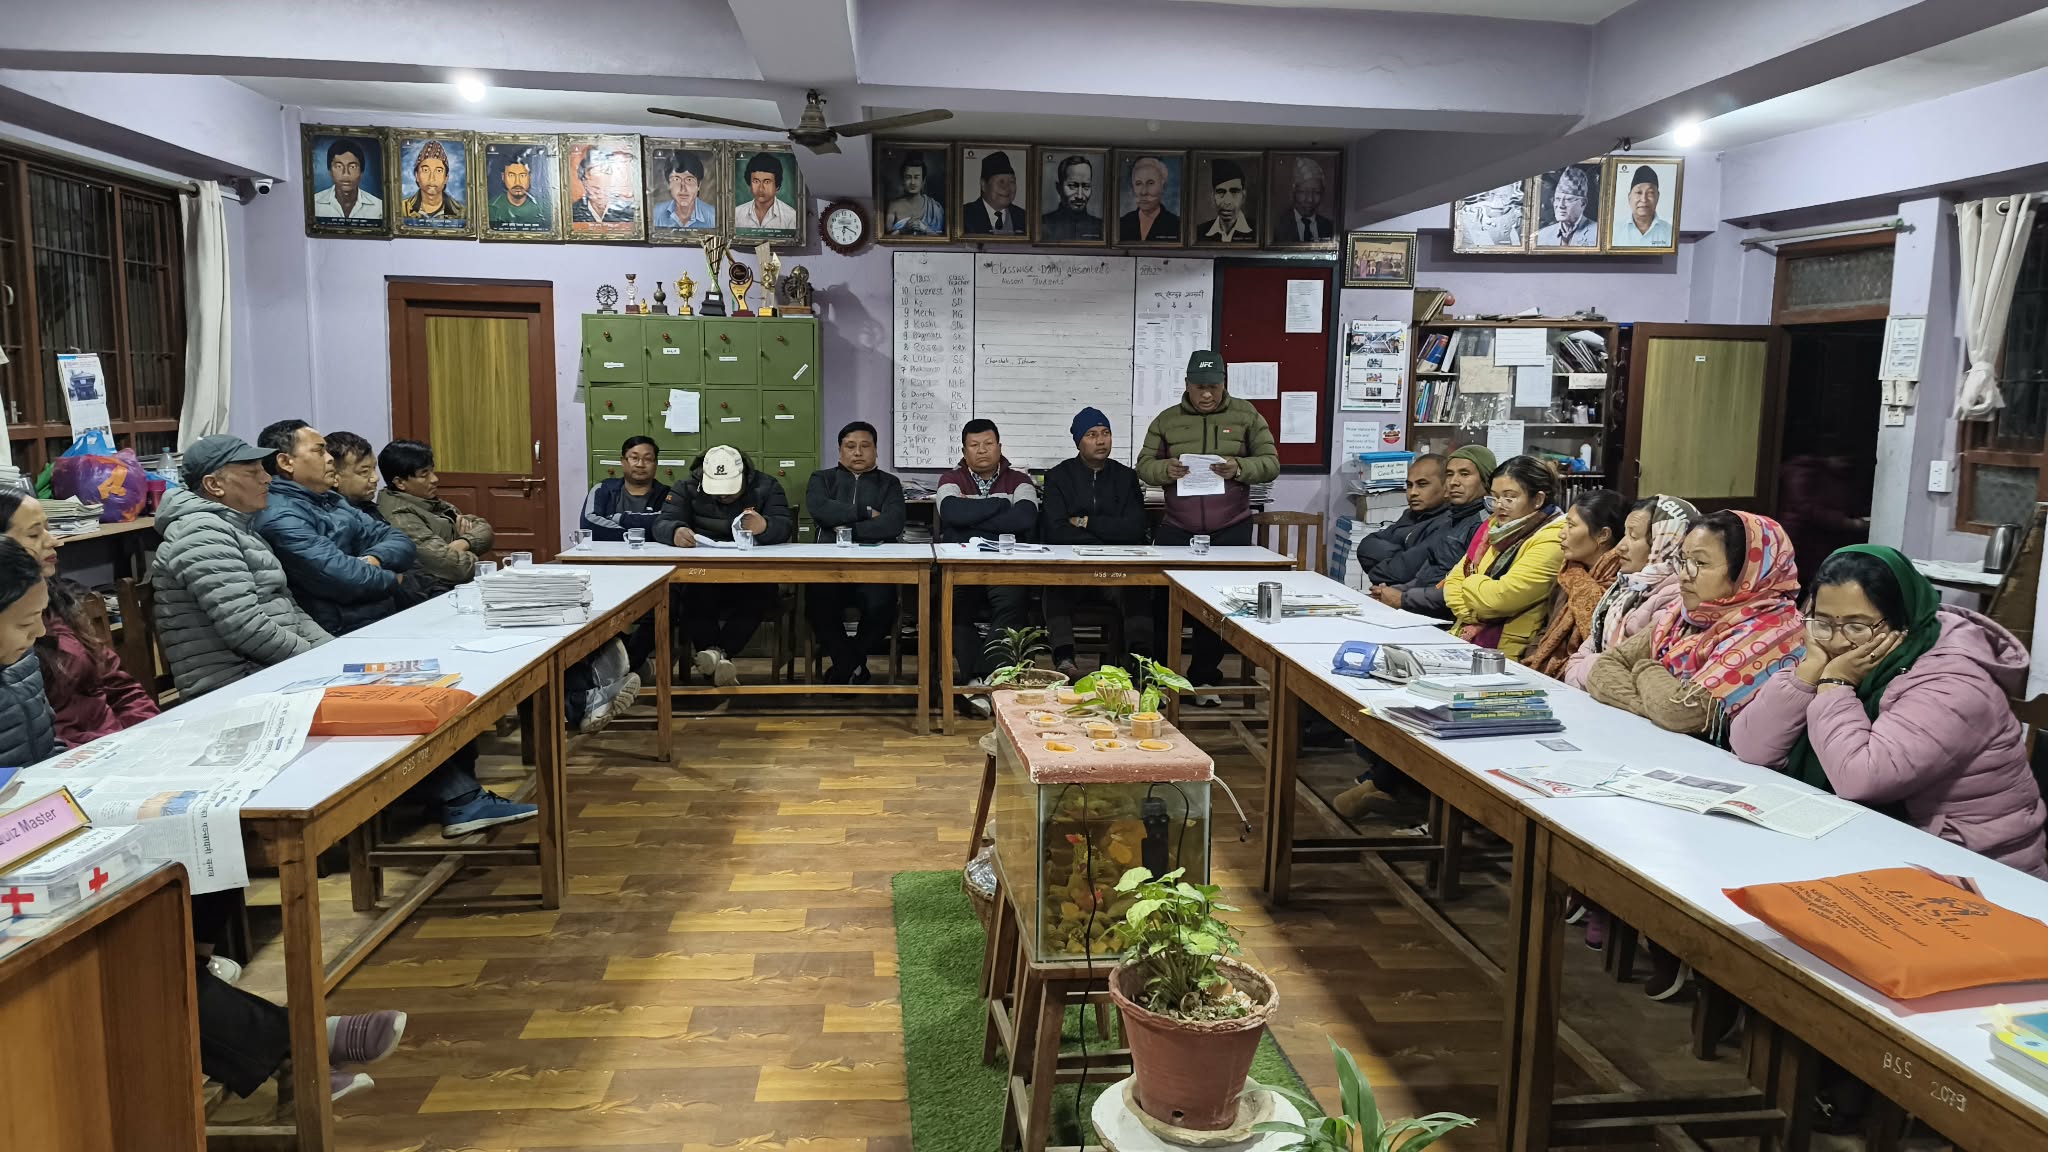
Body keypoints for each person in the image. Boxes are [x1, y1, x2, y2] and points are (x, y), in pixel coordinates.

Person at [1732, 545, 2048, 878]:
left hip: (1978, 867)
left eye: (1857, 626)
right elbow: (1751, 747)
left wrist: (1835, 684)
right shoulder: (1841, 657)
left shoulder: (1955, 681)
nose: (1838, 642)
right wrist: (1809, 671)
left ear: (1903, 622)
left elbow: (1861, 779)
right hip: (1882, 841)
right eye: (1823, 622)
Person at [1588, 511, 1805, 745]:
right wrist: (1650, 705)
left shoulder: (1776, 631)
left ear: (1749, 571)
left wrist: (1643, 667)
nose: (1683, 575)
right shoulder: (1686, 613)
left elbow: (1679, 711)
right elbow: (1602, 669)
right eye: (1683, 561)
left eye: (1700, 563)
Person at [1135, 349, 1279, 702]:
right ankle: (1161, 679)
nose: (1207, 395)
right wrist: (1164, 470)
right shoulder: (1167, 420)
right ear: (1186, 384)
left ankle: (1204, 679)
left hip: (1230, 527)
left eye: (1213, 387)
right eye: (1200, 387)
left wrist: (1239, 468)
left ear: (1223, 383)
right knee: (1163, 603)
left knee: (1218, 607)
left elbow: (1271, 463)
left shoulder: (1246, 415)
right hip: (1177, 527)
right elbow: (1144, 465)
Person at [152, 435, 333, 699]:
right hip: (236, 687)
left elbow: (290, 609)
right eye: (252, 472)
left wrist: (332, 653)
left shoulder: (240, 528)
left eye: (263, 470)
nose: (267, 479)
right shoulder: (202, 533)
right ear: (214, 485)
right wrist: (316, 662)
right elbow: (245, 627)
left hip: (275, 672)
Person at [0, 492, 157, 746]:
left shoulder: (59, 601)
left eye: (49, 529)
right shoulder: (13, 651)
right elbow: (37, 746)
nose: (54, 541)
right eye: (34, 534)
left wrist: (150, 733)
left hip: (114, 746)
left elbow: (118, 685)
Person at [250, 420, 417, 637]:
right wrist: (395, 578)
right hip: (340, 631)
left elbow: (399, 539)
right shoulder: (280, 515)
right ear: (286, 462)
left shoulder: (331, 500)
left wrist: (373, 559)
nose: (329, 458)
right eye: (319, 451)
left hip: (379, 615)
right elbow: (343, 578)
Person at [652, 445, 794, 686]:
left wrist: (765, 526)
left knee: (761, 595)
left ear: (744, 476)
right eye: (717, 491)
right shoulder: (687, 486)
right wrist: (674, 531)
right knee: (692, 594)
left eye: (730, 490)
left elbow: (784, 525)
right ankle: (719, 659)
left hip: (751, 575)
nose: (723, 497)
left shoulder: (766, 486)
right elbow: (662, 522)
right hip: (704, 572)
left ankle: (715, 655)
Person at [936, 420, 1038, 716]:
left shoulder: (1019, 480)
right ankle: (986, 681)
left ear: (999, 447)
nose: (982, 450)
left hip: (1005, 565)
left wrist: (970, 522)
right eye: (974, 445)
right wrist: (1000, 505)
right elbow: (951, 513)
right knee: (954, 608)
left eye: (988, 444)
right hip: (961, 566)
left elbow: (1024, 519)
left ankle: (977, 680)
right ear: (964, 451)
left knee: (1013, 606)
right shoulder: (950, 479)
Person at [1040, 407, 1150, 678]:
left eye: (1106, 433)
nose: (1101, 441)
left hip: (1115, 569)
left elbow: (1135, 529)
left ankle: (1140, 663)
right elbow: (1055, 531)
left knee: (1138, 590)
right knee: (1053, 587)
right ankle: (1065, 659)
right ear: (1078, 441)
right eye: (1091, 435)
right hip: (1073, 569)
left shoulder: (1126, 477)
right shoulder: (1058, 477)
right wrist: (1111, 532)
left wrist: (1085, 522)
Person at [807, 422, 907, 684]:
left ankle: (844, 667)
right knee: (817, 604)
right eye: (850, 446)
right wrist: (866, 513)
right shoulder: (822, 479)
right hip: (829, 568)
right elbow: (820, 510)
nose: (858, 452)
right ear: (840, 451)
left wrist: (843, 528)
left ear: (876, 450)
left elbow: (892, 524)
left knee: (882, 606)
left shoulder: (890, 483)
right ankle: (852, 666)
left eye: (865, 446)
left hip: (876, 570)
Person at [1564, 494, 1697, 690]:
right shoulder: (1627, 586)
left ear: (1666, 542)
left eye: (1633, 537)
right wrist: (1590, 671)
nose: (1620, 547)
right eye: (1624, 534)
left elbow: (1628, 674)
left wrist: (1588, 669)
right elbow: (1578, 659)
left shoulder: (1678, 597)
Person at [1441, 455, 1566, 659]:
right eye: (1494, 497)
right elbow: (1452, 582)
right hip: (1465, 638)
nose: (1499, 505)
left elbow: (1499, 599)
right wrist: (1476, 612)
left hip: (1509, 652)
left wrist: (1470, 581)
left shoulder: (1553, 537)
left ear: (1538, 500)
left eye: (1509, 497)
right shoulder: (1494, 527)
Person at [1373, 445, 1496, 619]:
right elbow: (1430, 572)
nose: (1454, 482)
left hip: (1448, 620)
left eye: (1464, 474)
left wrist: (1403, 598)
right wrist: (1396, 591)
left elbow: (1461, 590)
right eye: (1449, 474)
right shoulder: (1451, 519)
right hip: (1421, 610)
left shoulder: (1486, 525)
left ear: (1486, 480)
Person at [1523, 489, 1629, 679]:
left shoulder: (1623, 585)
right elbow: (1544, 630)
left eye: (1571, 526)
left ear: (1603, 535)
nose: (1561, 534)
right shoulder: (1570, 573)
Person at [374, 440, 494, 585]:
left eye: (432, 470)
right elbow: (456, 568)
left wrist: (464, 542)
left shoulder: (424, 501)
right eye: (424, 475)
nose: (434, 479)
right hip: (433, 592)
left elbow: (484, 528)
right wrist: (475, 555)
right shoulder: (400, 516)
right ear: (400, 483)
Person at [583, 436, 672, 543]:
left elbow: (666, 524)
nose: (640, 464)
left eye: (648, 459)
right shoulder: (603, 489)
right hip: (609, 553)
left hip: (654, 553)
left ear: (656, 464)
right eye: (634, 458)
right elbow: (589, 525)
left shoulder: (669, 494)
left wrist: (618, 519)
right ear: (623, 461)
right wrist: (634, 537)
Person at [312, 137, 382, 221]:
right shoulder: (314, 203)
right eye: (339, 166)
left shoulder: (379, 207)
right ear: (330, 171)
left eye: (352, 167)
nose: (345, 173)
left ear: (361, 172)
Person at [960, 151, 1024, 236]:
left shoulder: (1024, 218)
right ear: (983, 185)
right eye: (1001, 181)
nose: (1007, 187)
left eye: (1012, 181)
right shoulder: (963, 216)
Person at [1118, 156, 1181, 244]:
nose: (1143, 192)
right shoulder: (1121, 224)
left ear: (1163, 186)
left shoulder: (1177, 225)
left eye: (1150, 183)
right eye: (1138, 183)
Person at [1039, 154, 1101, 242]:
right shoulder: (1043, 224)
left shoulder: (1101, 227)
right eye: (1072, 186)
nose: (1080, 196)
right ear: (1059, 188)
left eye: (1086, 186)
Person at [884, 150, 945, 236]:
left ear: (923, 181)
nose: (912, 182)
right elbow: (886, 238)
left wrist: (925, 229)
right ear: (903, 180)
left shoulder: (935, 207)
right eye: (908, 177)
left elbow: (941, 238)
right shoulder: (893, 206)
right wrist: (903, 230)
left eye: (916, 177)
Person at [487, 146, 550, 230]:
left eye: (522, 175)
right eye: (511, 175)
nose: (517, 182)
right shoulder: (491, 207)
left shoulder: (543, 208)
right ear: (503, 177)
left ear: (530, 177)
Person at [1610, 163, 1672, 247]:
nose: (1644, 199)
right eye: (1639, 192)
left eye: (1650, 193)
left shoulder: (1670, 232)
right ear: (1629, 197)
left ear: (1657, 197)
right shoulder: (1614, 232)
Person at [400, 139, 464, 220]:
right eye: (425, 170)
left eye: (438, 171)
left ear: (446, 178)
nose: (432, 178)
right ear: (417, 175)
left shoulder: (461, 213)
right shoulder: (401, 209)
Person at [653, 149, 716, 230]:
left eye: (689, 180)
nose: (683, 189)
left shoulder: (713, 216)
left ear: (699, 185)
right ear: (668, 184)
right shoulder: (656, 214)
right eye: (676, 179)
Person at [1197, 157, 1254, 244]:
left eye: (1234, 191)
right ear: (1213, 197)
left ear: (1243, 197)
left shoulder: (1258, 232)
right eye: (1221, 192)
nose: (1227, 201)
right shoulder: (1199, 232)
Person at [738, 151, 798, 232]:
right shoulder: (737, 213)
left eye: (767, 182)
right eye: (756, 181)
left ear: (777, 185)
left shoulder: (791, 217)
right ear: (750, 183)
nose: (761, 188)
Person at [571, 148, 634, 224]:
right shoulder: (573, 212)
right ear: (584, 182)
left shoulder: (627, 210)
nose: (600, 194)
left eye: (604, 188)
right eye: (595, 189)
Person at [1282, 155, 1335, 243]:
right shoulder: (1279, 225)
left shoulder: (1329, 227)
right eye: (1303, 192)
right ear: (1293, 192)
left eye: (1317, 192)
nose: (1310, 199)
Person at [1542, 165, 1598, 247]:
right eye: (1557, 199)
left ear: (1583, 203)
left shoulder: (1598, 233)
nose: (1561, 205)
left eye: (1568, 200)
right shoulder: (1543, 235)